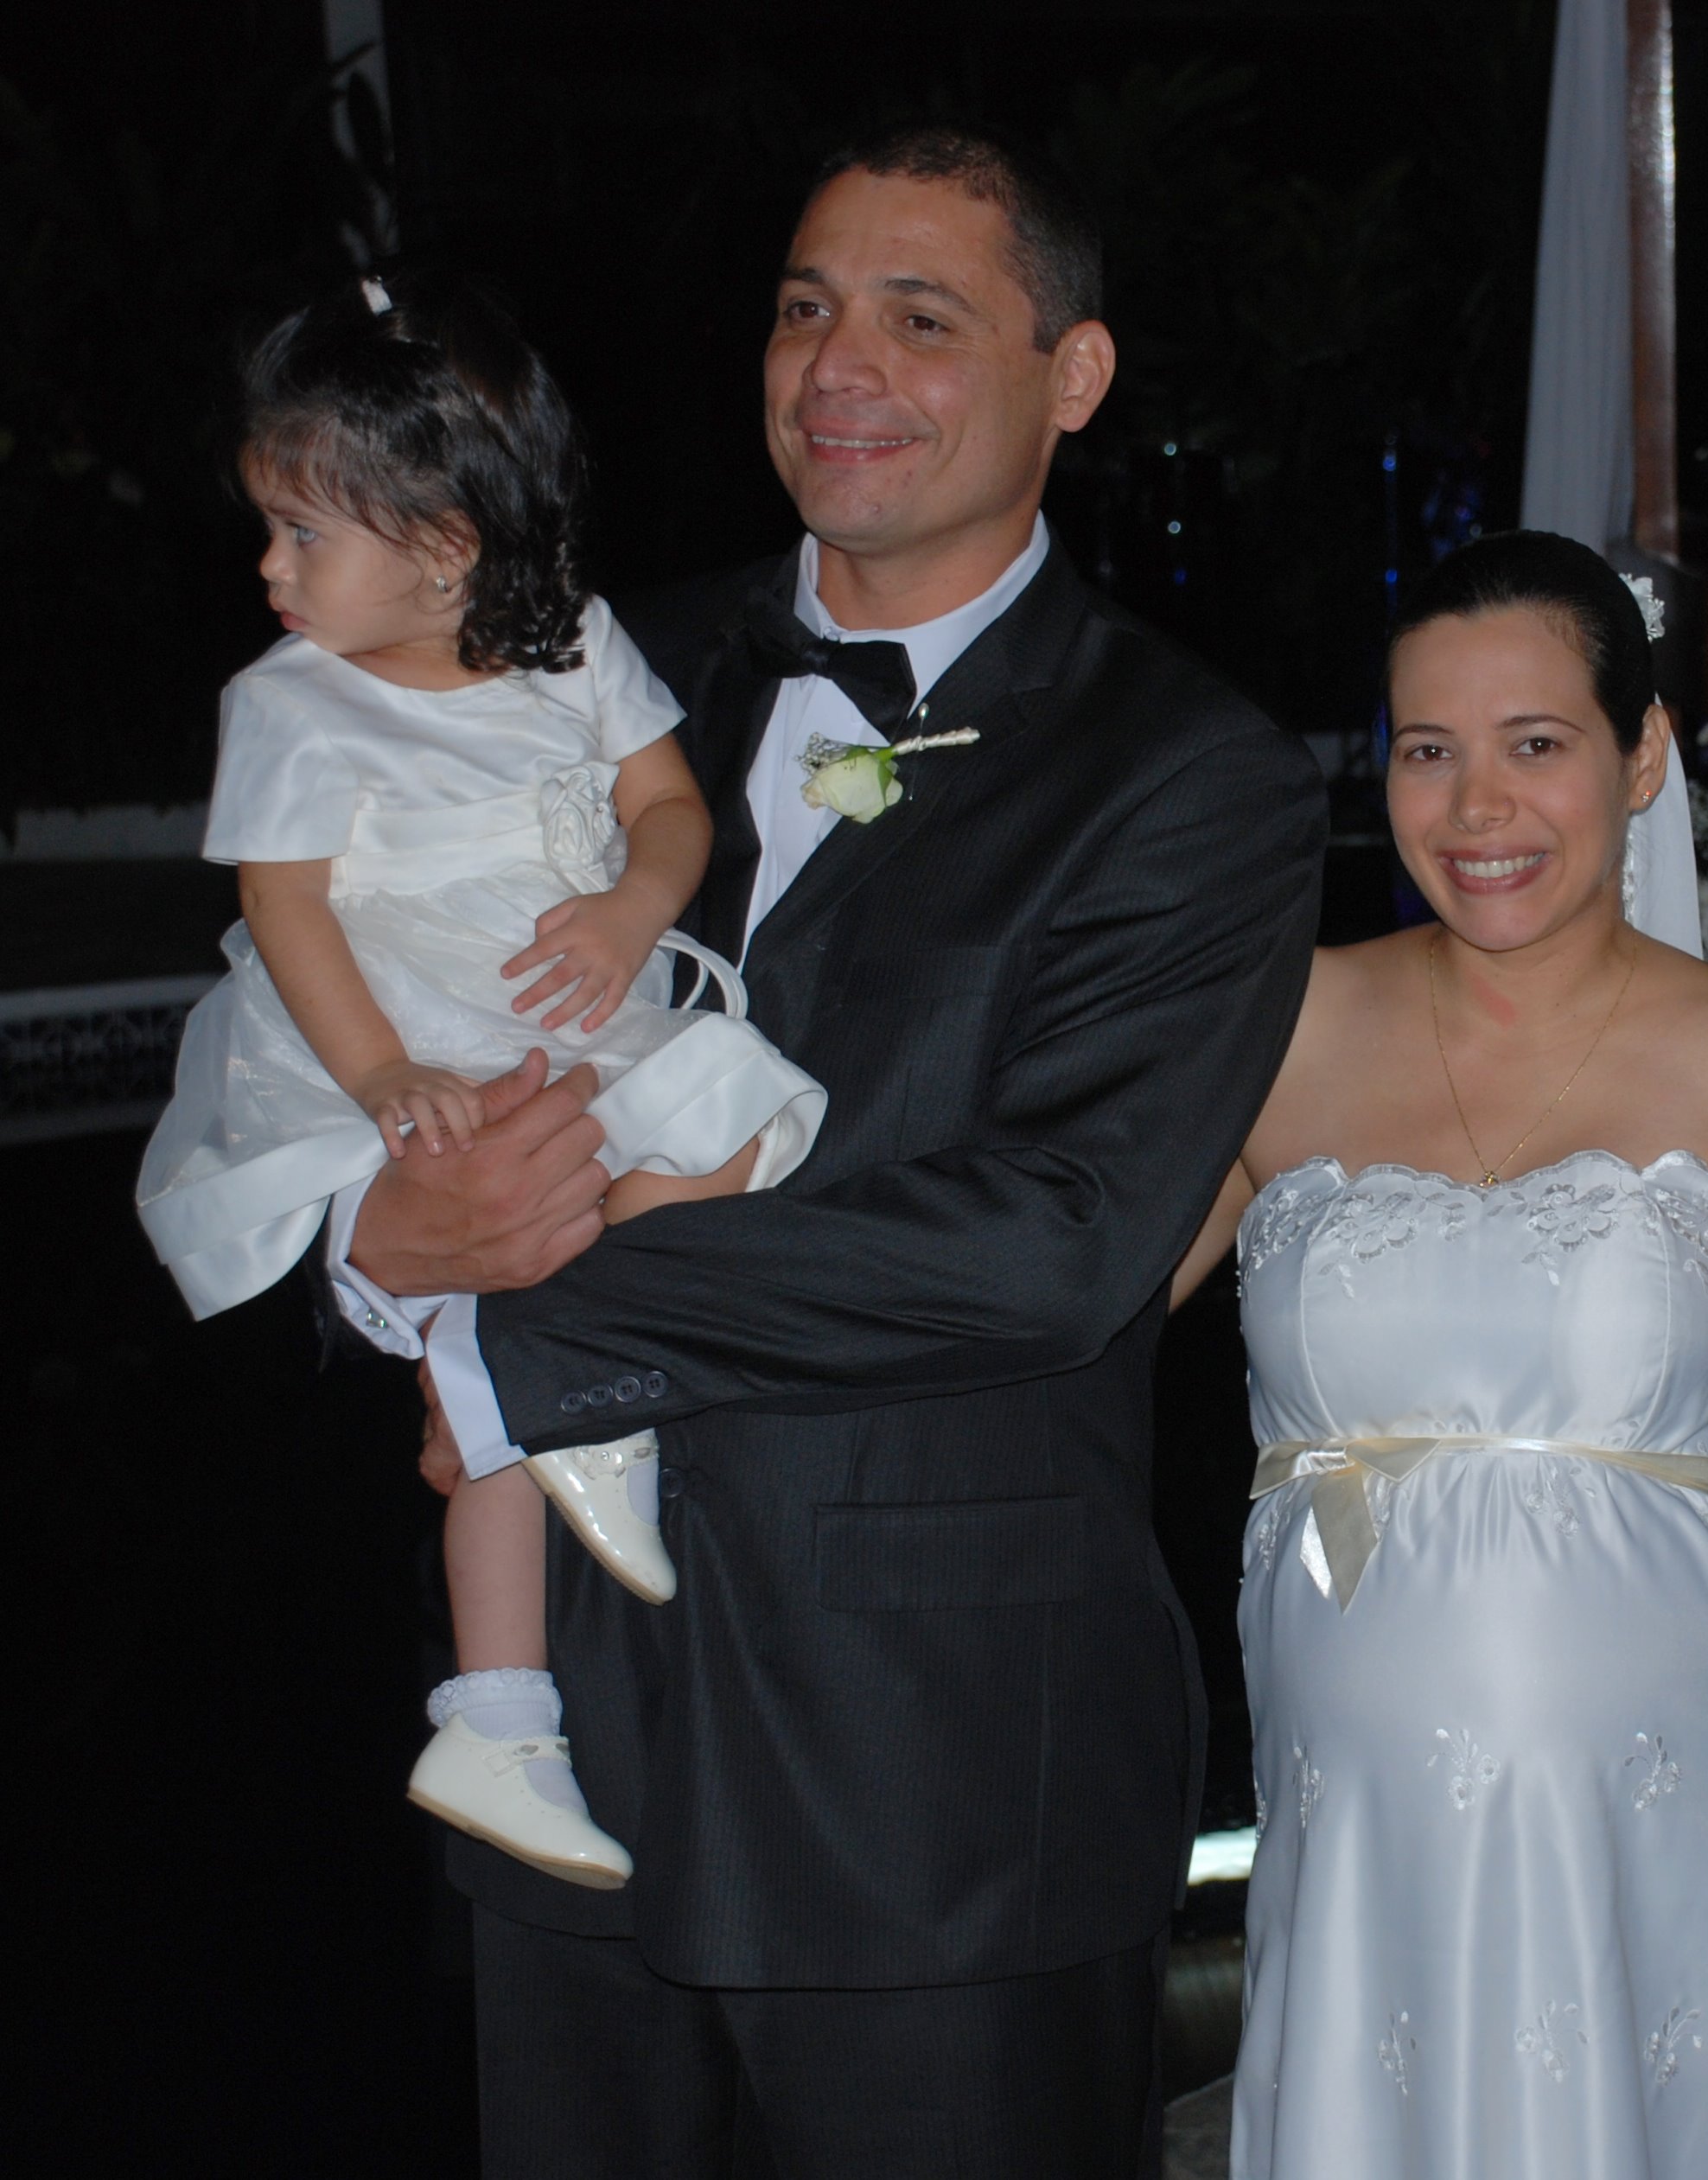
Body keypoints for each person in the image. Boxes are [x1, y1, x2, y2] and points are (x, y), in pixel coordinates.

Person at [327, 128, 1325, 2177]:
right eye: (804, 309)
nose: (837, 365)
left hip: (938, 1795)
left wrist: (524, 1322)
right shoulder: (571, 680)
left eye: (919, 318)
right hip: (559, 1756)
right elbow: (360, 1020)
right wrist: (380, 1236)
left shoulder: (1187, 774)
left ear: (1072, 374)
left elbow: (1053, 1241)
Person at [1166, 531, 1708, 2177]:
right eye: (1429, 750)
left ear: (1642, 757)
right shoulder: (1279, 1028)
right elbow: (1064, 1305)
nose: (1476, 807)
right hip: (1359, 1837)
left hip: (1676, 1829)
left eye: (1535, 743)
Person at [136, 270, 824, 1889]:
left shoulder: (575, 647)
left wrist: (634, 908)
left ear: (446, 547)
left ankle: (517, 1597)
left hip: (561, 996)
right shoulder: (286, 704)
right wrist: (383, 1073)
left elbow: (671, 812)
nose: (269, 568)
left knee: (738, 1123)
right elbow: (286, 909)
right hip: (408, 1034)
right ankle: (506, 1698)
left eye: (304, 533)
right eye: (271, 528)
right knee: (496, 1341)